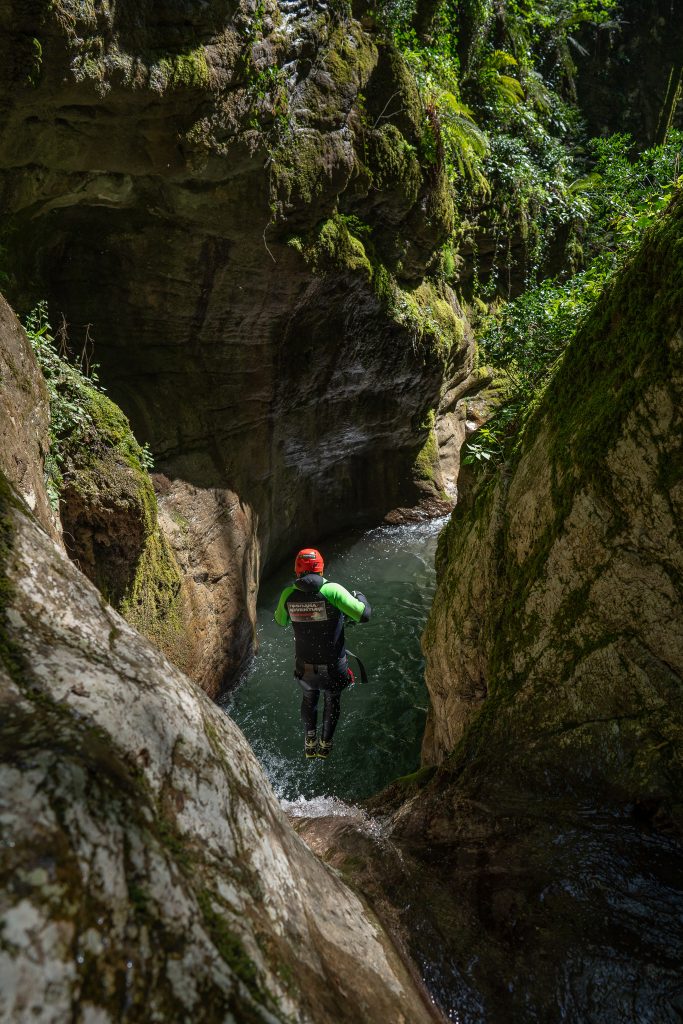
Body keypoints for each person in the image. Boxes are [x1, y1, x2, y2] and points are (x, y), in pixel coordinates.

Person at [274, 548, 371, 759]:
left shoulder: (288, 594)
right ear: (321, 568)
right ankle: (325, 745)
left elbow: (281, 621)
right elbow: (364, 615)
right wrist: (360, 596)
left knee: (309, 699)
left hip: (305, 668)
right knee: (332, 699)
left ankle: (309, 742)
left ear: (297, 570)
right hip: (334, 667)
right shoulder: (333, 591)